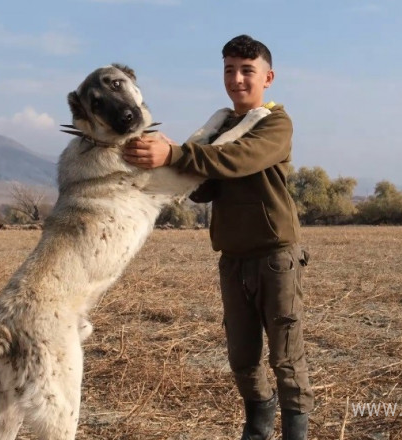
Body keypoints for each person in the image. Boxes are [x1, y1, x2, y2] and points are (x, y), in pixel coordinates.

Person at [123, 34, 313, 440]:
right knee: (242, 357)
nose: (238, 79)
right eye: (230, 70)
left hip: (275, 256)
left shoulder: (276, 123)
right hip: (232, 258)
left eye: (248, 70)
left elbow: (238, 159)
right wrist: (173, 168)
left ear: (268, 77)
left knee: (285, 358)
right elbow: (207, 186)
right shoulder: (219, 127)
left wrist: (175, 155)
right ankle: (257, 428)